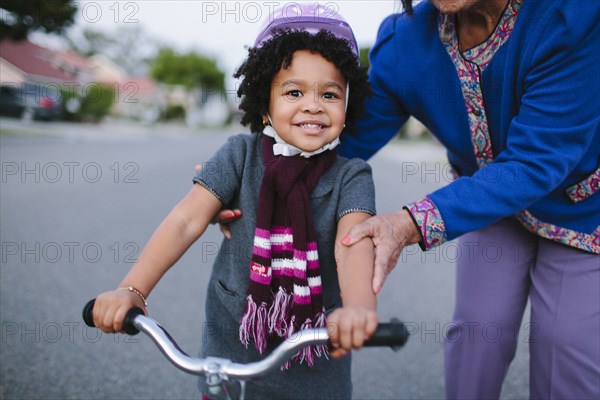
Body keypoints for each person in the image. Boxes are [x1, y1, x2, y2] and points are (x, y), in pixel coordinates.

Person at [212, 0, 600, 398]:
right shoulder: (408, 43)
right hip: (489, 208)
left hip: (582, 208)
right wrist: (255, 179)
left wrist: (409, 222)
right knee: (477, 334)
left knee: (564, 343)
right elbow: (340, 143)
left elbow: (537, 160)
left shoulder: (569, 19)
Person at [92, 4, 378, 399]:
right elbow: (185, 220)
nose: (313, 104)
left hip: (318, 356)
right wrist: (132, 291)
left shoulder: (352, 174)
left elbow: (355, 243)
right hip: (231, 346)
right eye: (293, 92)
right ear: (265, 104)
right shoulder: (238, 156)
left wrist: (359, 307)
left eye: (330, 94)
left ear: (348, 108)